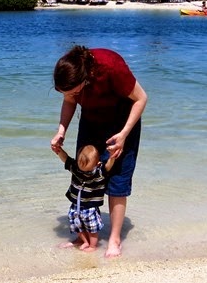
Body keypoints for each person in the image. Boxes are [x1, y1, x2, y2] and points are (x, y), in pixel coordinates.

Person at [51, 45, 147, 258]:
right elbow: (69, 101)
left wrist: (123, 135)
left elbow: (141, 98)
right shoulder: (71, 76)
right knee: (83, 175)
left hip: (122, 121)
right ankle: (81, 236)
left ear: (86, 80)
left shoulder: (110, 66)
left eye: (76, 92)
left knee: (117, 181)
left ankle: (114, 239)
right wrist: (61, 131)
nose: (72, 96)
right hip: (91, 120)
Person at [55, 144, 115, 252]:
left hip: (90, 208)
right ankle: (84, 241)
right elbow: (66, 159)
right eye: (81, 168)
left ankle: (92, 245)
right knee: (76, 225)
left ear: (98, 164)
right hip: (75, 206)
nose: (84, 173)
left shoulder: (99, 173)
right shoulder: (77, 168)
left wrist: (112, 156)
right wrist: (59, 150)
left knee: (92, 229)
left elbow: (108, 167)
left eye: (87, 170)